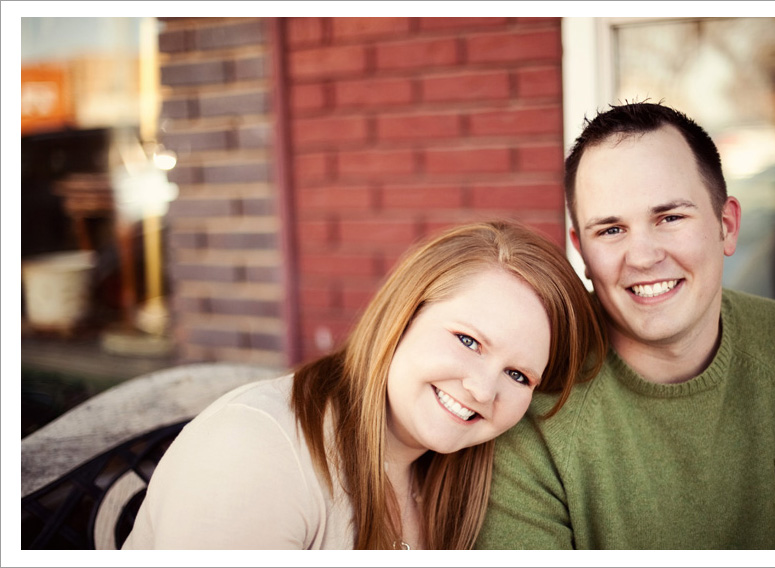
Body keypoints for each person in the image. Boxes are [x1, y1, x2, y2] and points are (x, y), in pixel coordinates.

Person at [122, 220, 604, 550]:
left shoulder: (452, 478)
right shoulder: (256, 450)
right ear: (403, 313)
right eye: (468, 340)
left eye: (518, 375)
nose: (482, 389)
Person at [476, 102, 775, 549]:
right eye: (611, 230)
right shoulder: (531, 399)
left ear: (727, 224)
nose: (642, 257)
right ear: (581, 251)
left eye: (670, 218)